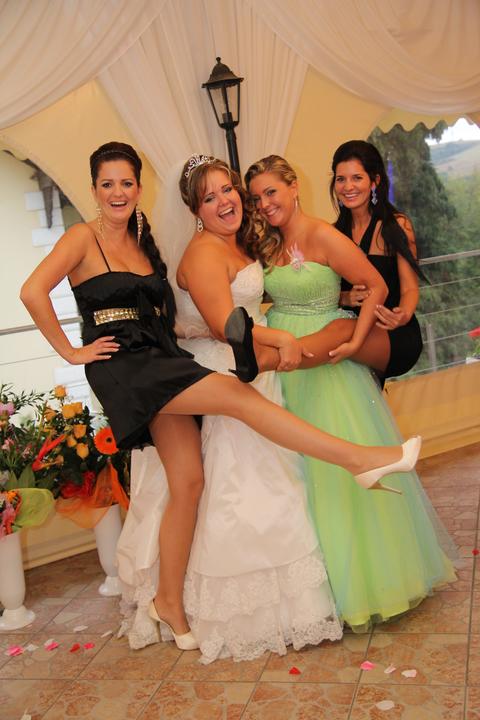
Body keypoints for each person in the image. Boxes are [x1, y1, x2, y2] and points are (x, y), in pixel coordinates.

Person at [20, 142, 420, 649]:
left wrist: (187, 331)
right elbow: (32, 291)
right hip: (125, 368)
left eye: (126, 183)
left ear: (139, 188)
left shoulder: (142, 240)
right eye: (107, 184)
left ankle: (168, 600)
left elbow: (163, 314)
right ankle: (359, 460)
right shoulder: (83, 236)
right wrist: (72, 353)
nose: (118, 192)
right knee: (240, 398)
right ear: (95, 189)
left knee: (189, 481)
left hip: (160, 358)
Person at [118, 154, 344, 662]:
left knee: (276, 478)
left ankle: (286, 605)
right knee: (240, 485)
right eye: (210, 197)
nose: (224, 201)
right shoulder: (203, 252)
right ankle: (239, 612)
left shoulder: (235, 242)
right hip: (223, 370)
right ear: (196, 211)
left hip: (249, 367)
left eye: (227, 190)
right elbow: (225, 326)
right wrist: (281, 337)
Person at [245, 154, 457, 631]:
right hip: (285, 356)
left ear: (294, 186)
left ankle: (365, 584)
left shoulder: (324, 234)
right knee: (295, 471)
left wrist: (357, 339)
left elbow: (377, 285)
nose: (265, 204)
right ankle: (312, 594)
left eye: (271, 192)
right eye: (256, 198)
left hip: (327, 361)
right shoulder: (265, 242)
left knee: (335, 471)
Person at [332, 139, 424, 383]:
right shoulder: (333, 234)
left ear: (375, 181)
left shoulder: (397, 225)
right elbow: (327, 293)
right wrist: (344, 297)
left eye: (357, 178)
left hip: (393, 332)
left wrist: (403, 314)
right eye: (341, 179)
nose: (348, 186)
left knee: (336, 339)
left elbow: (410, 288)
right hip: (352, 328)